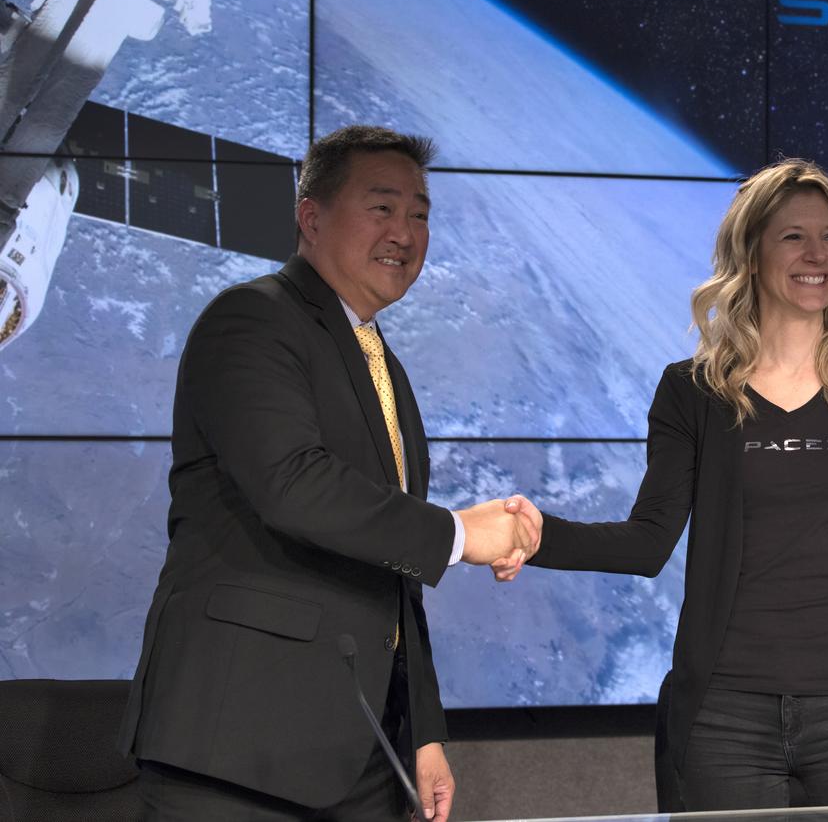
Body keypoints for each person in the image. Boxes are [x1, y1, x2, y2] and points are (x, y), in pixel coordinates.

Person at [500, 158, 828, 810]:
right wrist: (538, 535)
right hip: (724, 718)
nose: (816, 254)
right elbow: (647, 539)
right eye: (792, 236)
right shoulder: (692, 391)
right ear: (750, 251)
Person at [119, 125, 537, 821]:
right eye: (382, 206)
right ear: (310, 217)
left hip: (360, 757)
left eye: (420, 213)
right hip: (236, 754)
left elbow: (389, 566)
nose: (405, 231)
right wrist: (460, 534)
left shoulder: (381, 362)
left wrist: (422, 729)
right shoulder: (251, 319)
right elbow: (292, 483)